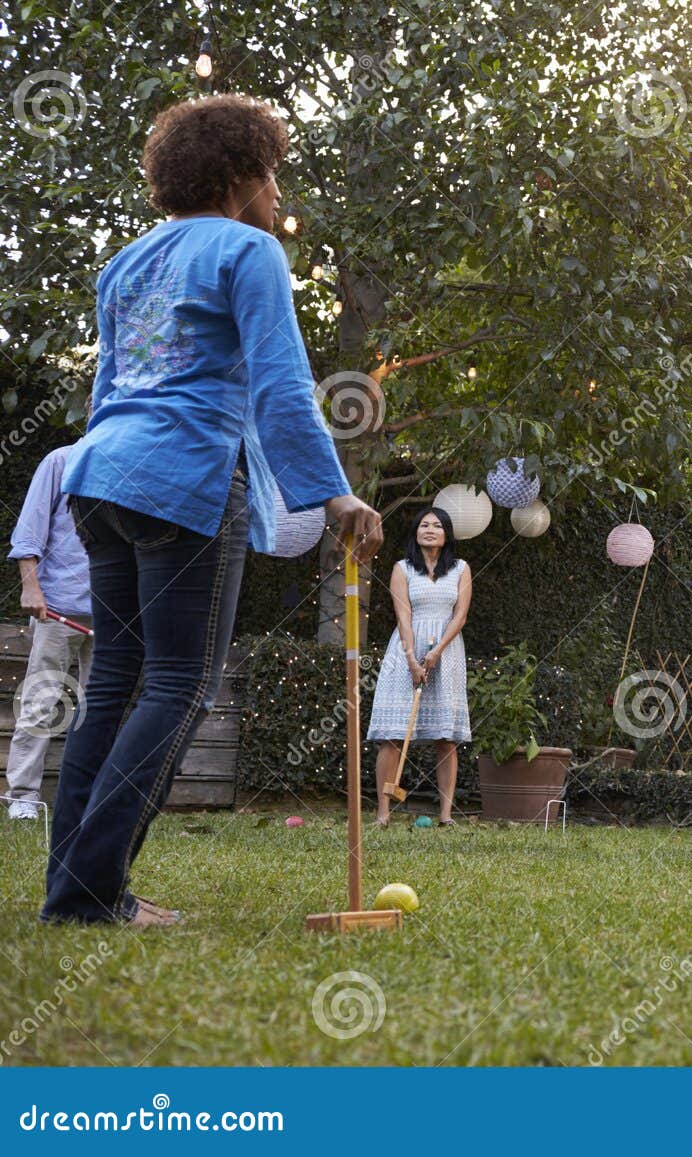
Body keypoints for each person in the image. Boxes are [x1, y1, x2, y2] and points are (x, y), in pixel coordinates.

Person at [41, 95, 382, 928]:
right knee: (178, 682)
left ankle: (72, 887)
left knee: (115, 679)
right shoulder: (248, 249)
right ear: (237, 177)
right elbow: (280, 384)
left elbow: (108, 390)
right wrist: (332, 490)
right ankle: (90, 891)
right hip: (183, 478)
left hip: (98, 477)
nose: (279, 194)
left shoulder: (125, 261)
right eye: (272, 174)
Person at [4, 441, 93, 820]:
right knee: (40, 702)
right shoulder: (61, 460)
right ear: (90, 413)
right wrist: (30, 587)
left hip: (115, 613)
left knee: (102, 708)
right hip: (59, 607)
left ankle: (88, 796)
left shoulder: (133, 463)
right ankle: (22, 796)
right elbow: (29, 530)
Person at [369, 508, 473, 827]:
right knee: (393, 734)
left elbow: (460, 616)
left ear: (446, 534)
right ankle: (383, 813)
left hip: (448, 651)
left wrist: (437, 651)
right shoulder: (402, 569)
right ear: (416, 533)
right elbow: (403, 616)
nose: (430, 529)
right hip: (406, 650)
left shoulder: (460, 569)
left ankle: (446, 815)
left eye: (437, 525)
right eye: (424, 525)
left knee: (446, 737)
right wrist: (412, 659)